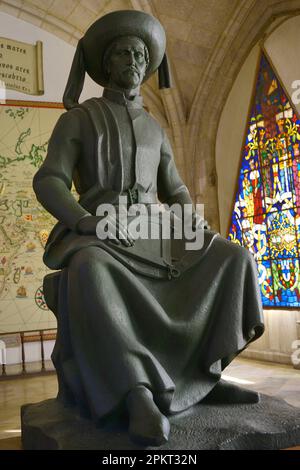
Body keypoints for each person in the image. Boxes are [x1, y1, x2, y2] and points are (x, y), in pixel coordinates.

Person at [33, 10, 264, 447]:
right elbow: (49, 180)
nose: (135, 60)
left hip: (157, 231)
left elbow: (174, 189)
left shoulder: (156, 128)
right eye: (124, 52)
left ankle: (205, 376)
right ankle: (136, 392)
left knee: (234, 258)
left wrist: (199, 230)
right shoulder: (79, 120)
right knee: (89, 271)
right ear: (104, 63)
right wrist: (84, 221)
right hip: (99, 228)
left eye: (141, 54)